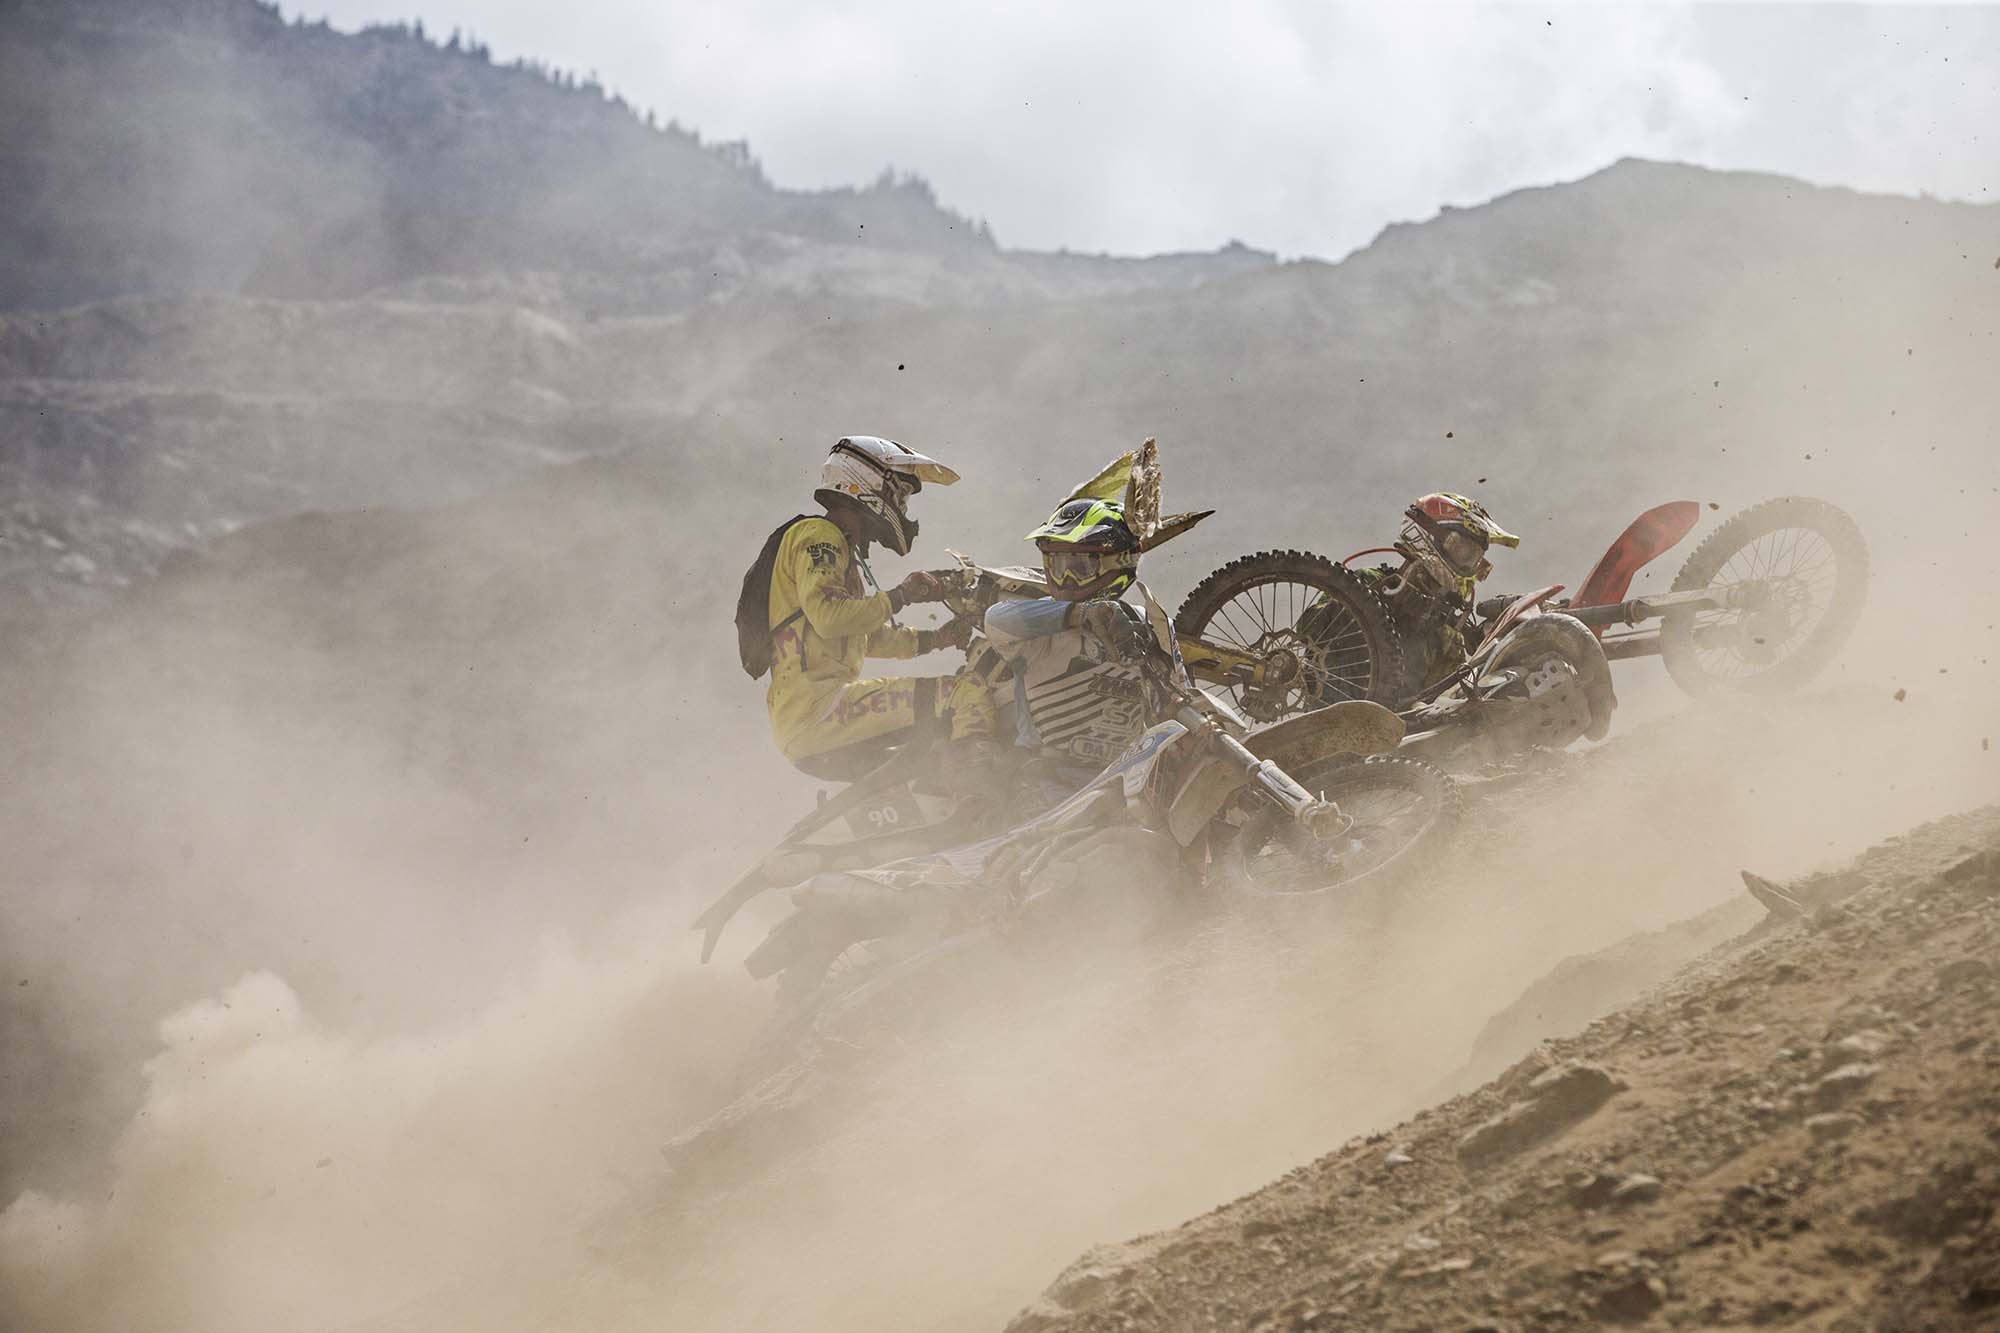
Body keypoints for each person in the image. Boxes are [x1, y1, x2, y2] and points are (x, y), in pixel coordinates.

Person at [735, 436, 984, 780]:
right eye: (900, 495)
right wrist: (903, 595)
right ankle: (988, 790)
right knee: (965, 692)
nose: (902, 508)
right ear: (868, 483)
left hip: (808, 723)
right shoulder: (820, 535)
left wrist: (938, 638)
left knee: (933, 754)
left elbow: (862, 635)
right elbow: (830, 618)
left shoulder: (837, 547)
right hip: (822, 711)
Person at [968, 439, 1211, 774]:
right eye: (1057, 565)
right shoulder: (1043, 628)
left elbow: (1179, 694)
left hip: (1125, 777)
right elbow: (996, 619)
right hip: (1045, 779)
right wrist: (1082, 614)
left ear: (1119, 563)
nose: (1066, 579)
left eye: (1079, 566)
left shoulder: (1149, 624)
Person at [1334, 491, 1521, 695]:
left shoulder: (1446, 635)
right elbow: (1313, 627)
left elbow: (1447, 700)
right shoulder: (1367, 580)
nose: (1467, 563)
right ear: (1431, 533)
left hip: (1391, 713)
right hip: (1330, 698)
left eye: (1473, 558)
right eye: (1463, 551)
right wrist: (1383, 603)